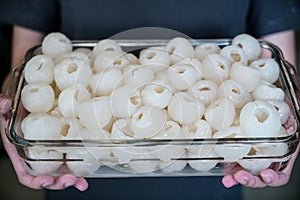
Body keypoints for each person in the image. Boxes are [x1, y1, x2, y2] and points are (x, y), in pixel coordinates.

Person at [0, 0, 299, 199]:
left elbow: (273, 61)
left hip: (216, 175)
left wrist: (284, 123)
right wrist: (15, 107)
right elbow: (27, 64)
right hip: (79, 176)